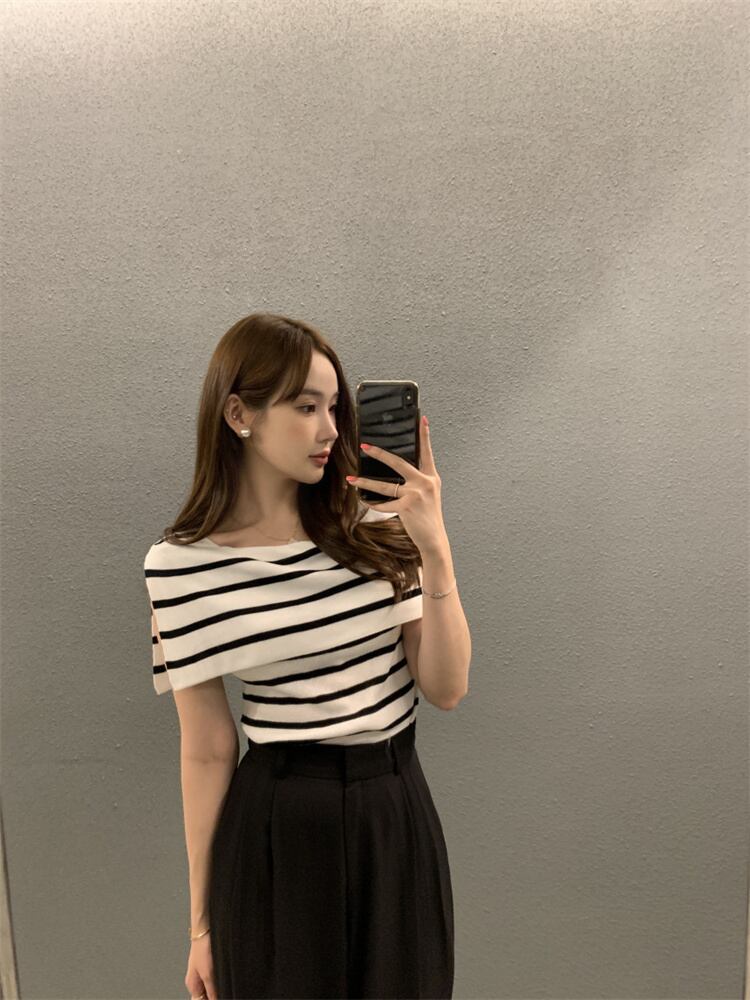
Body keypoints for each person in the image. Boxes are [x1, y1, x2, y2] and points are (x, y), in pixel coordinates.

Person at [143, 313, 470, 999]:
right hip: (277, 826)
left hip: (393, 807)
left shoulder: (375, 523)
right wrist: (201, 925)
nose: (330, 429)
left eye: (335, 407)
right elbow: (206, 750)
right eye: (305, 407)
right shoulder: (179, 569)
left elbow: (445, 688)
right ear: (239, 414)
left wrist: (436, 550)